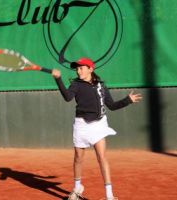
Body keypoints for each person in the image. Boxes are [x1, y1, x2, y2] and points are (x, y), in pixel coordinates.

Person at [51, 58, 142, 200]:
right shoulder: (76, 84)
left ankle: (109, 196)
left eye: (81, 68)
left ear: (90, 69)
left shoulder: (101, 85)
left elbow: (111, 105)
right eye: (77, 68)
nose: (78, 70)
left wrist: (127, 100)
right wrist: (58, 79)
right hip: (81, 124)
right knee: (78, 158)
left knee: (101, 157)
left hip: (98, 125)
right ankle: (77, 188)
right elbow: (68, 97)